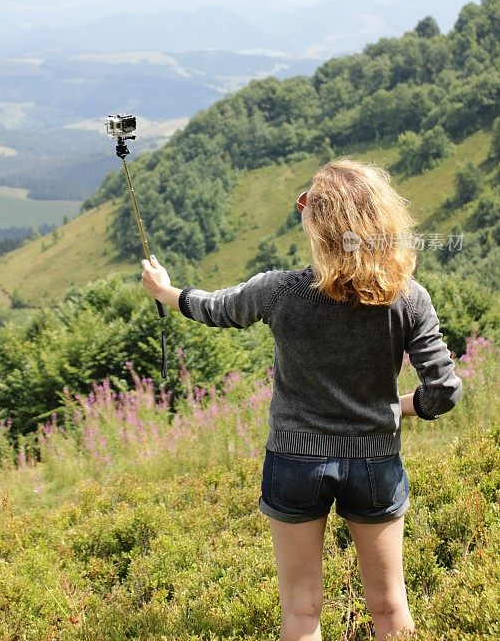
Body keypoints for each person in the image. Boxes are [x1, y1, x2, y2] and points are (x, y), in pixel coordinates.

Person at [141, 157, 463, 641]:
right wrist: (399, 406)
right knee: (391, 607)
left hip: (293, 462)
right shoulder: (409, 297)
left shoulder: (279, 291)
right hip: (375, 463)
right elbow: (444, 392)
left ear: (315, 222)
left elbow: (214, 309)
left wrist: (166, 292)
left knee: (301, 612)